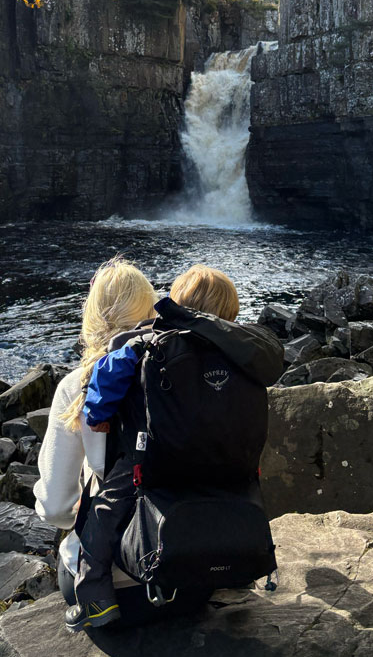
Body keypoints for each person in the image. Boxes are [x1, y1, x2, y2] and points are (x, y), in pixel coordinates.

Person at [64, 264, 283, 633]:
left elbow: (108, 373)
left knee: (103, 512)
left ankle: (96, 599)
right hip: (224, 461)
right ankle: (238, 571)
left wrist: (98, 413)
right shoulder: (242, 351)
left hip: (157, 457)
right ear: (230, 313)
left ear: (176, 304)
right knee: (235, 501)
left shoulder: (149, 341)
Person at [33, 257, 157, 607]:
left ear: (92, 318)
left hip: (116, 593)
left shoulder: (77, 386)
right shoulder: (178, 375)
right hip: (186, 573)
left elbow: (56, 506)